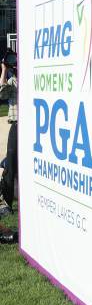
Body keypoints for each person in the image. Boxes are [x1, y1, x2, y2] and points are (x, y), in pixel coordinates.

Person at [0, 52, 18, 216]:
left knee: (11, 164)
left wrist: (4, 70)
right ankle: (7, 201)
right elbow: (3, 93)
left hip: (19, 125)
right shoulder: (14, 81)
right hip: (18, 124)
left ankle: (8, 201)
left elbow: (2, 92)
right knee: (11, 163)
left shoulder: (14, 80)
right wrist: (5, 70)